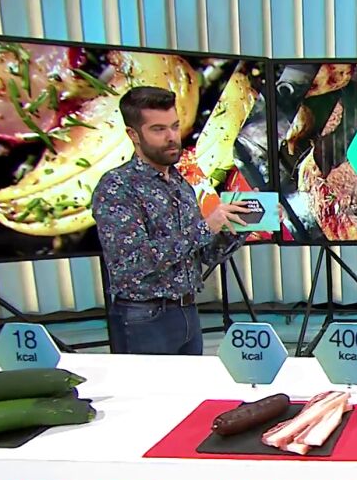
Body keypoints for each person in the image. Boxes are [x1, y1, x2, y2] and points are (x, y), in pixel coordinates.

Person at [93, 86, 251, 355]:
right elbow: (133, 262)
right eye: (158, 130)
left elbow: (204, 255)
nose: (172, 137)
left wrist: (240, 224)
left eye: (175, 126)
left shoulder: (179, 183)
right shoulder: (117, 187)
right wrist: (205, 227)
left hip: (188, 311)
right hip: (144, 318)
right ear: (133, 135)